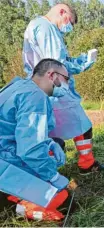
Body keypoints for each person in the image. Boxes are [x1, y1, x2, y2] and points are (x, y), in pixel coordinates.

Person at [22, 3, 104, 175]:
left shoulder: (36, 25)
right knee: (82, 125)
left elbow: (55, 59)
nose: (69, 27)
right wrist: (81, 66)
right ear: (62, 12)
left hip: (40, 87)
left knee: (47, 132)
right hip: (55, 88)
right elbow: (55, 63)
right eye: (69, 21)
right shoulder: (47, 27)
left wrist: (76, 60)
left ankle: (46, 170)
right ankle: (86, 164)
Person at [0, 59, 75, 221]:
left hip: (6, 149)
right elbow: (29, 149)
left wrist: (50, 143)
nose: (67, 84)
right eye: (66, 79)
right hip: (5, 162)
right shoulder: (35, 97)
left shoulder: (19, 86)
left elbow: (17, 128)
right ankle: (13, 206)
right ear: (52, 75)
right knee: (65, 203)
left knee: (58, 143)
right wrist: (53, 176)